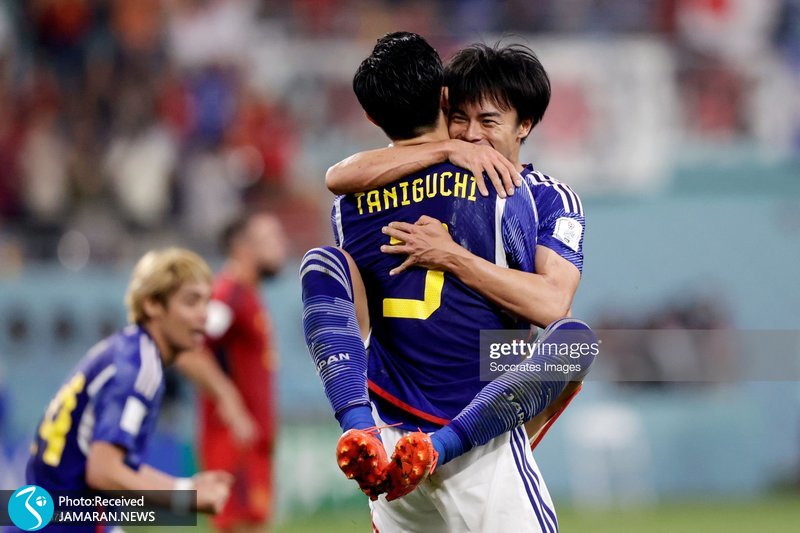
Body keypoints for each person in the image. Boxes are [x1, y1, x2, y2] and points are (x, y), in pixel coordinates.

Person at [301, 32, 594, 532]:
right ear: (442, 104)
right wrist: (444, 156)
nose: (471, 136)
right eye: (461, 118)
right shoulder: (516, 194)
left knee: (323, 266)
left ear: (524, 125)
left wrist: (452, 255)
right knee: (573, 346)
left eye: (488, 122)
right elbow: (551, 307)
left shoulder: (354, 200)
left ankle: (359, 424)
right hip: (470, 402)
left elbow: (339, 176)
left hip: (396, 403)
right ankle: (443, 443)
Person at [11, 248, 233, 532]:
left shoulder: (128, 352)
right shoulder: (138, 367)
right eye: (191, 302)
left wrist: (184, 487)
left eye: (207, 302)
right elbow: (103, 472)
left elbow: (113, 464)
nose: (204, 315)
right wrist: (185, 500)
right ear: (152, 304)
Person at [177, 211, 287, 533]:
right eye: (271, 238)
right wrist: (231, 402)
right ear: (243, 248)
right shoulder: (229, 296)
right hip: (234, 444)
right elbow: (186, 349)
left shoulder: (247, 295)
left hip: (252, 443)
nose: (281, 245)